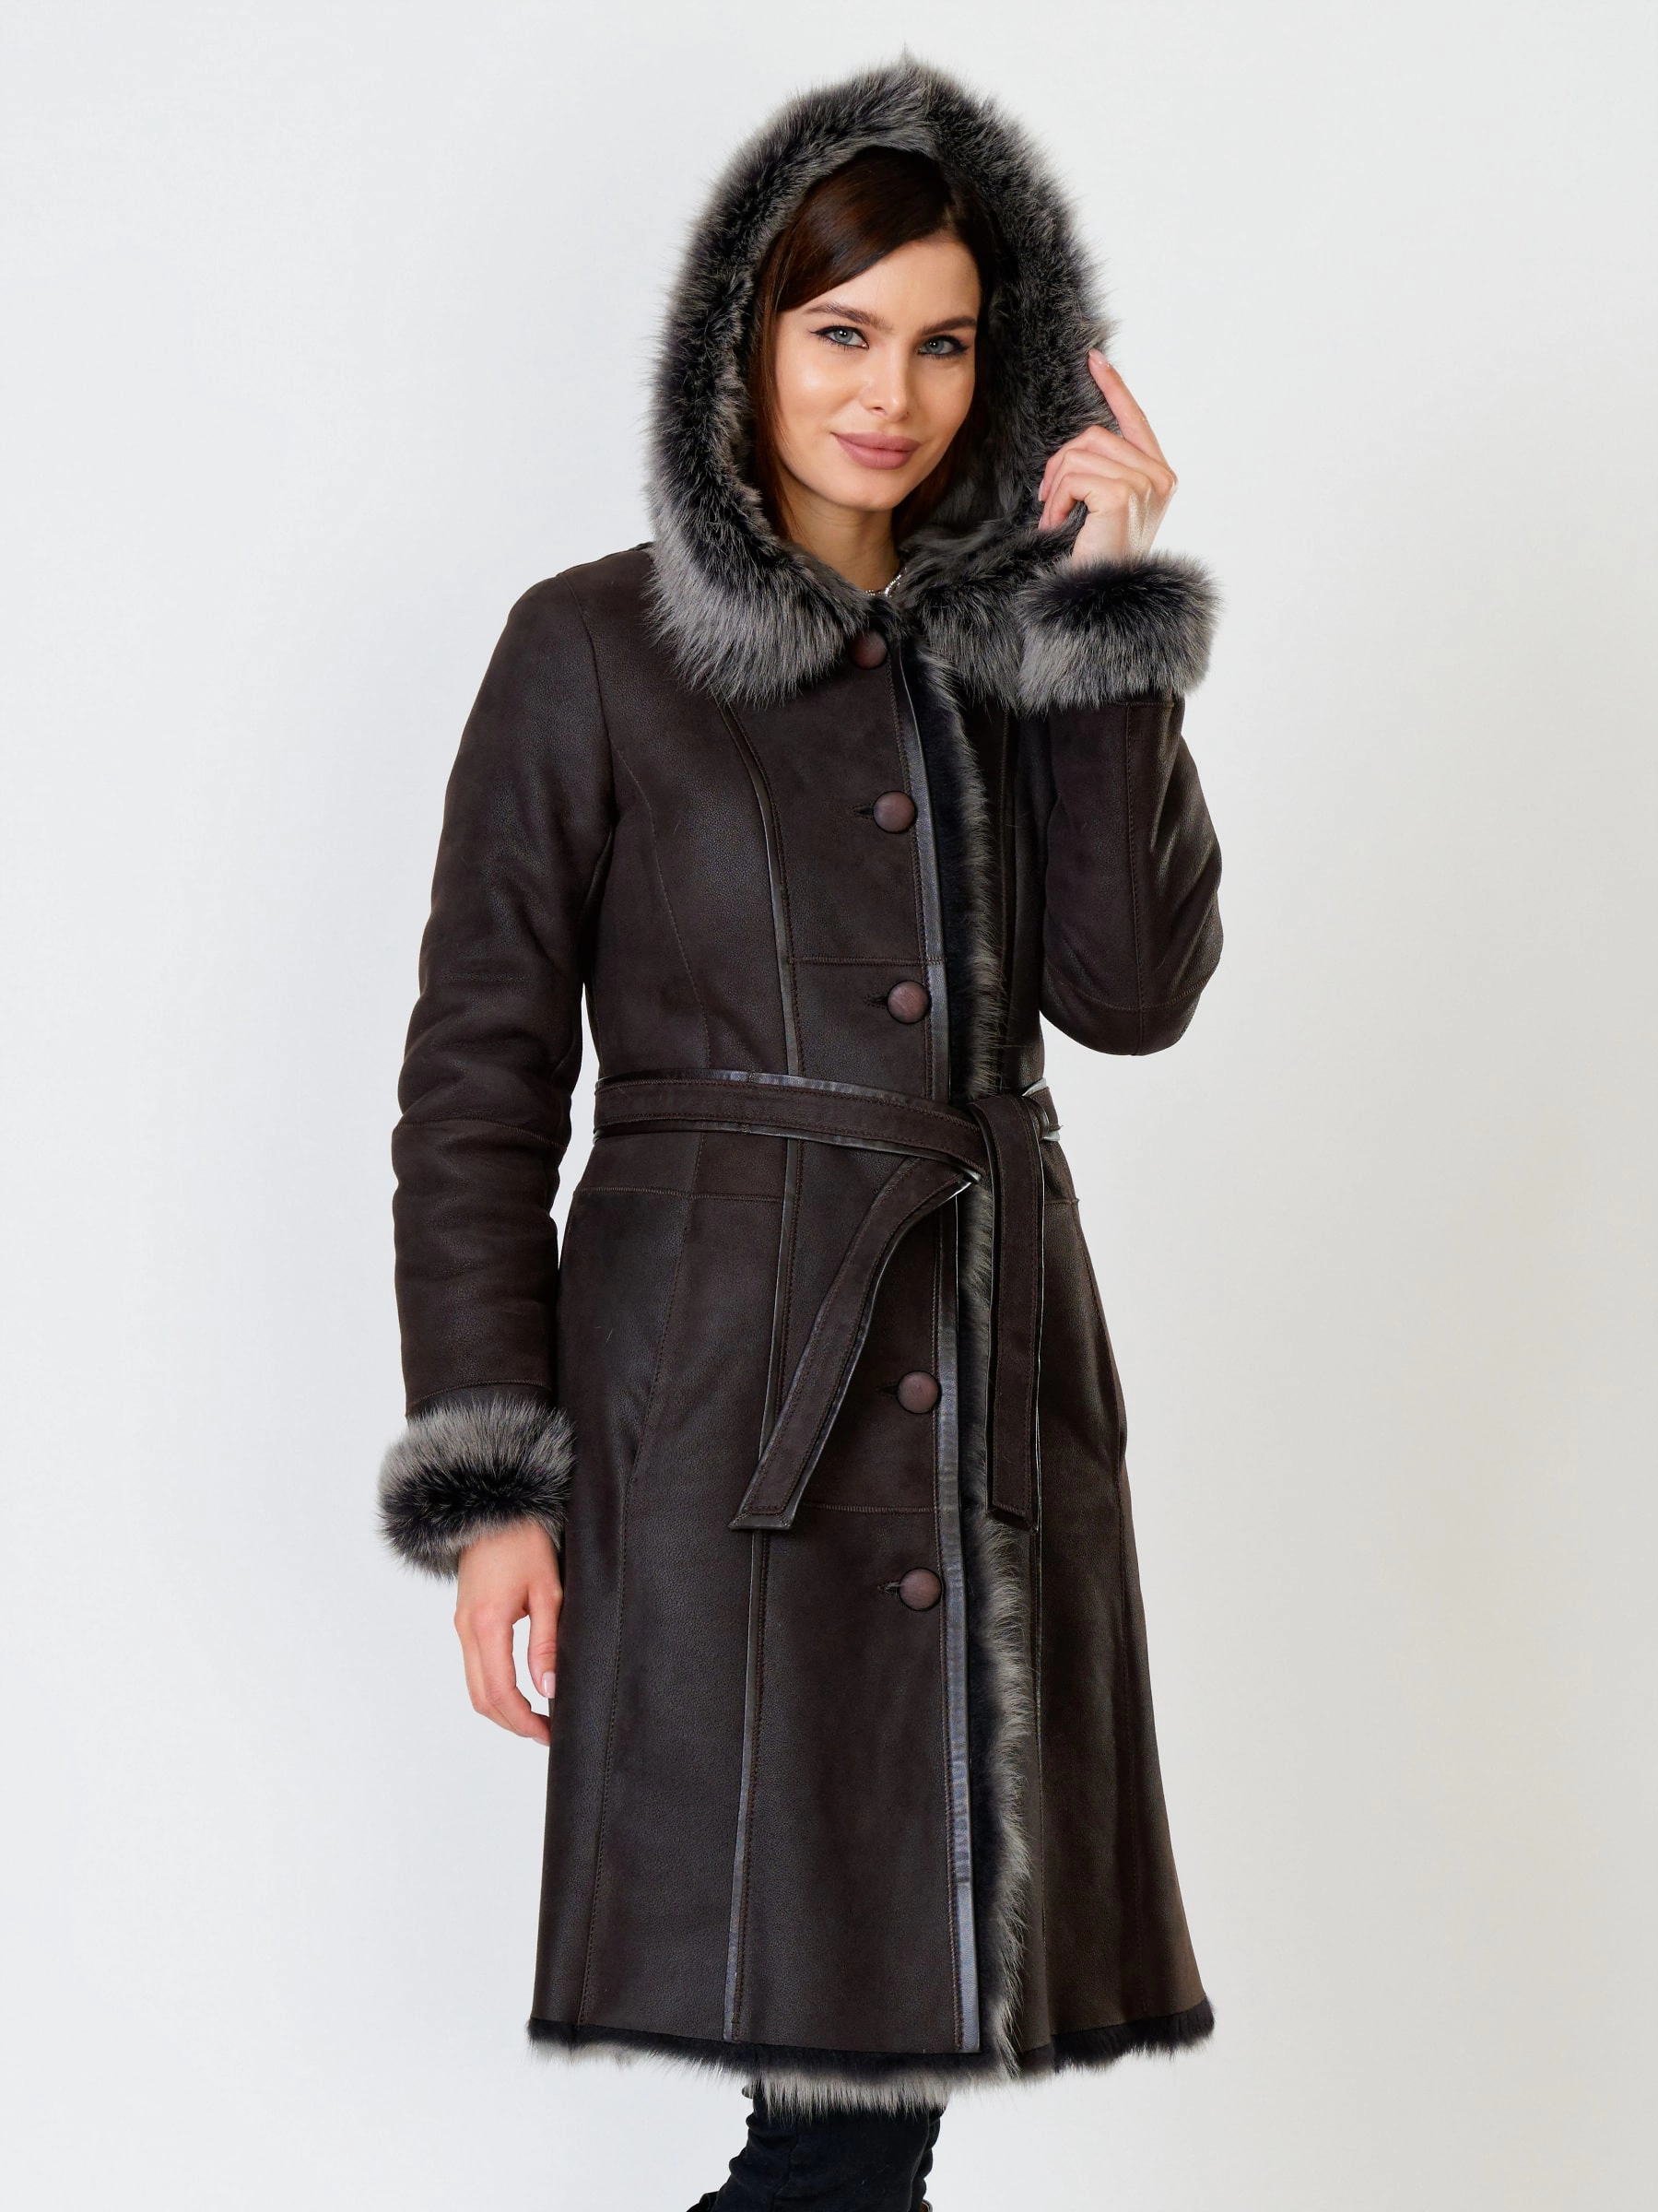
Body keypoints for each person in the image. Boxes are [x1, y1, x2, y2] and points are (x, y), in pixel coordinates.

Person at [379, 57, 1223, 2211]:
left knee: (866, 2106)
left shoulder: (1021, 650)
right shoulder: (588, 650)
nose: (890, 395)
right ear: (740, 345)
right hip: (721, 1415)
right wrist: (498, 1483)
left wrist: (1108, 631)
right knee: (842, 2118)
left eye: (947, 343)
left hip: (990, 1413)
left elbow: (1132, 994)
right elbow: (478, 1084)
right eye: (843, 333)